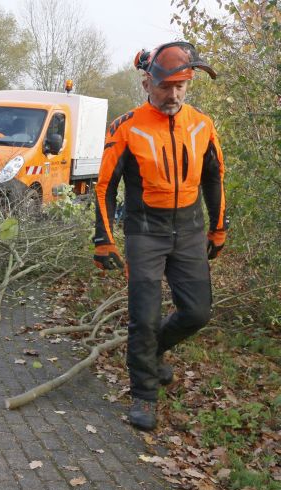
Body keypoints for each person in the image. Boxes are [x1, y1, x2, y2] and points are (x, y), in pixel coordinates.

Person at [93, 42, 227, 431]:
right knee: (144, 318)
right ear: (147, 83)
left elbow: (214, 178)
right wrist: (103, 239)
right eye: (166, 86)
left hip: (188, 230)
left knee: (197, 312)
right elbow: (104, 187)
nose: (173, 95)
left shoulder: (202, 125)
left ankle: (151, 356)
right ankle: (144, 395)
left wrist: (219, 228)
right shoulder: (127, 127)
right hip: (145, 231)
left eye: (180, 87)